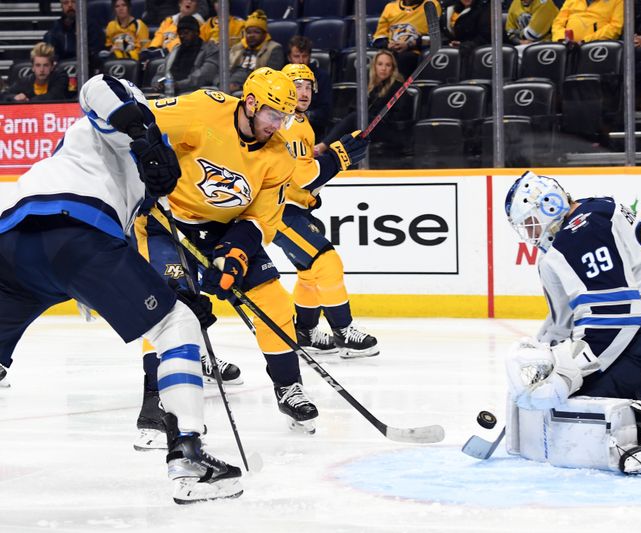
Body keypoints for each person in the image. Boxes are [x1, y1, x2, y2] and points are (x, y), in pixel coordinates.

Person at [0, 73, 242, 503]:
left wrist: (175, 291)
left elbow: (131, 246)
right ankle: (188, 455)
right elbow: (99, 85)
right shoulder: (122, 120)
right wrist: (144, 130)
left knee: (175, 310)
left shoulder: (118, 170)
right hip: (75, 234)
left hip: (14, 240)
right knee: (176, 326)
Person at [132, 68, 368, 446]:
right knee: (170, 308)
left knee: (273, 301)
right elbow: (137, 116)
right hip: (169, 220)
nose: (279, 125)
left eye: (286, 117)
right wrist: (143, 160)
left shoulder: (277, 156)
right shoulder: (205, 110)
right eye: (274, 115)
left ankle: (289, 388)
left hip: (227, 229)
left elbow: (262, 218)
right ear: (252, 102)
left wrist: (236, 254)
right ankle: (155, 400)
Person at [503, 172, 641, 473]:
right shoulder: (588, 216)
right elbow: (564, 320)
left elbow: (619, 315)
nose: (529, 233)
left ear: (549, 204)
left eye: (530, 222)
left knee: (580, 401)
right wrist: (546, 363)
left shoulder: (582, 231)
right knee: (574, 390)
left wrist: (573, 371)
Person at [277, 63, 375, 359]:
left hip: (291, 208)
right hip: (280, 210)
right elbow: (304, 177)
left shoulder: (297, 122)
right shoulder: (291, 125)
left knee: (309, 273)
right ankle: (343, 330)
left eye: (308, 86)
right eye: (297, 86)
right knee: (327, 262)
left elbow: (300, 164)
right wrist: (340, 157)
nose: (303, 92)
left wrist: (327, 152)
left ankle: (305, 332)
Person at [316, 50, 411, 154]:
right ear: (374, 66)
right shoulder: (368, 86)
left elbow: (399, 117)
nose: (383, 68)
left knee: (355, 117)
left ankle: (322, 146)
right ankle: (330, 152)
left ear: (392, 68)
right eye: (380, 64)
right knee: (348, 120)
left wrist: (371, 117)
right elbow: (353, 107)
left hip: (387, 129)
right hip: (367, 127)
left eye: (388, 65)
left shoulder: (398, 88)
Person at [372, 0, 442, 78]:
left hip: (415, 52)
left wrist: (409, 45)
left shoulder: (431, 5)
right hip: (391, 51)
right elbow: (378, 38)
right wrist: (388, 45)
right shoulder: (390, 7)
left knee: (404, 58)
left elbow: (435, 37)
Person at [154, 16, 219, 95]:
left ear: (196, 32)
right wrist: (157, 83)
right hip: (171, 92)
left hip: (196, 93)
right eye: (180, 33)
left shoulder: (210, 50)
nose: (182, 36)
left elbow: (203, 76)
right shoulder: (176, 50)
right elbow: (160, 73)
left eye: (186, 33)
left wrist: (178, 85)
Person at [227, 9, 284, 93]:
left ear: (265, 34)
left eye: (256, 32)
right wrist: (220, 84)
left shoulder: (274, 49)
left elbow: (269, 78)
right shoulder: (237, 47)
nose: (251, 36)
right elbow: (221, 70)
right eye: (249, 32)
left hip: (253, 90)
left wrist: (240, 87)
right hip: (228, 85)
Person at [286, 35, 330, 140]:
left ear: (310, 57)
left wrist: (302, 115)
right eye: (297, 56)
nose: (301, 60)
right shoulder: (282, 76)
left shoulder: (321, 77)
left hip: (313, 129)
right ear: (289, 57)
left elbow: (325, 111)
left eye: (304, 56)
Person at [1, 42, 68, 103]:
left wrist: (28, 102)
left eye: (46, 65)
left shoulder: (61, 77)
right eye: (38, 65)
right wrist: (15, 97)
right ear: (33, 67)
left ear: (52, 67)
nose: (42, 70)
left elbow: (54, 96)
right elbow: (4, 96)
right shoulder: (25, 82)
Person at [550, 0, 624, 43]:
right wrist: (561, 39)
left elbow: (615, 27)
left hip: (596, 48)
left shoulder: (618, 1)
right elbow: (558, 23)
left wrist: (586, 41)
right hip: (566, 46)